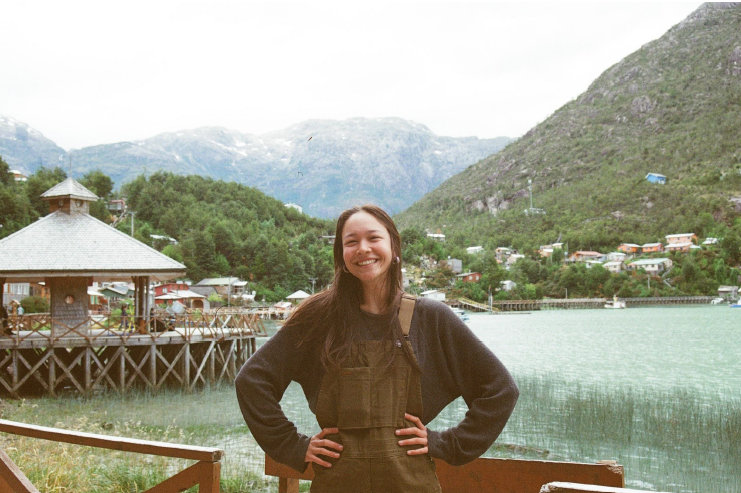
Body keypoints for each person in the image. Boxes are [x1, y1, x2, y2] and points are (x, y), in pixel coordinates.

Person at [235, 205, 519, 493]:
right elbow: (252, 381)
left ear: (393, 247)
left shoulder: (431, 317)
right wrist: (293, 445)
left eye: (373, 238)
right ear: (341, 256)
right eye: (351, 242)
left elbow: (500, 389)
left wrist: (446, 443)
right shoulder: (317, 318)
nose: (363, 248)